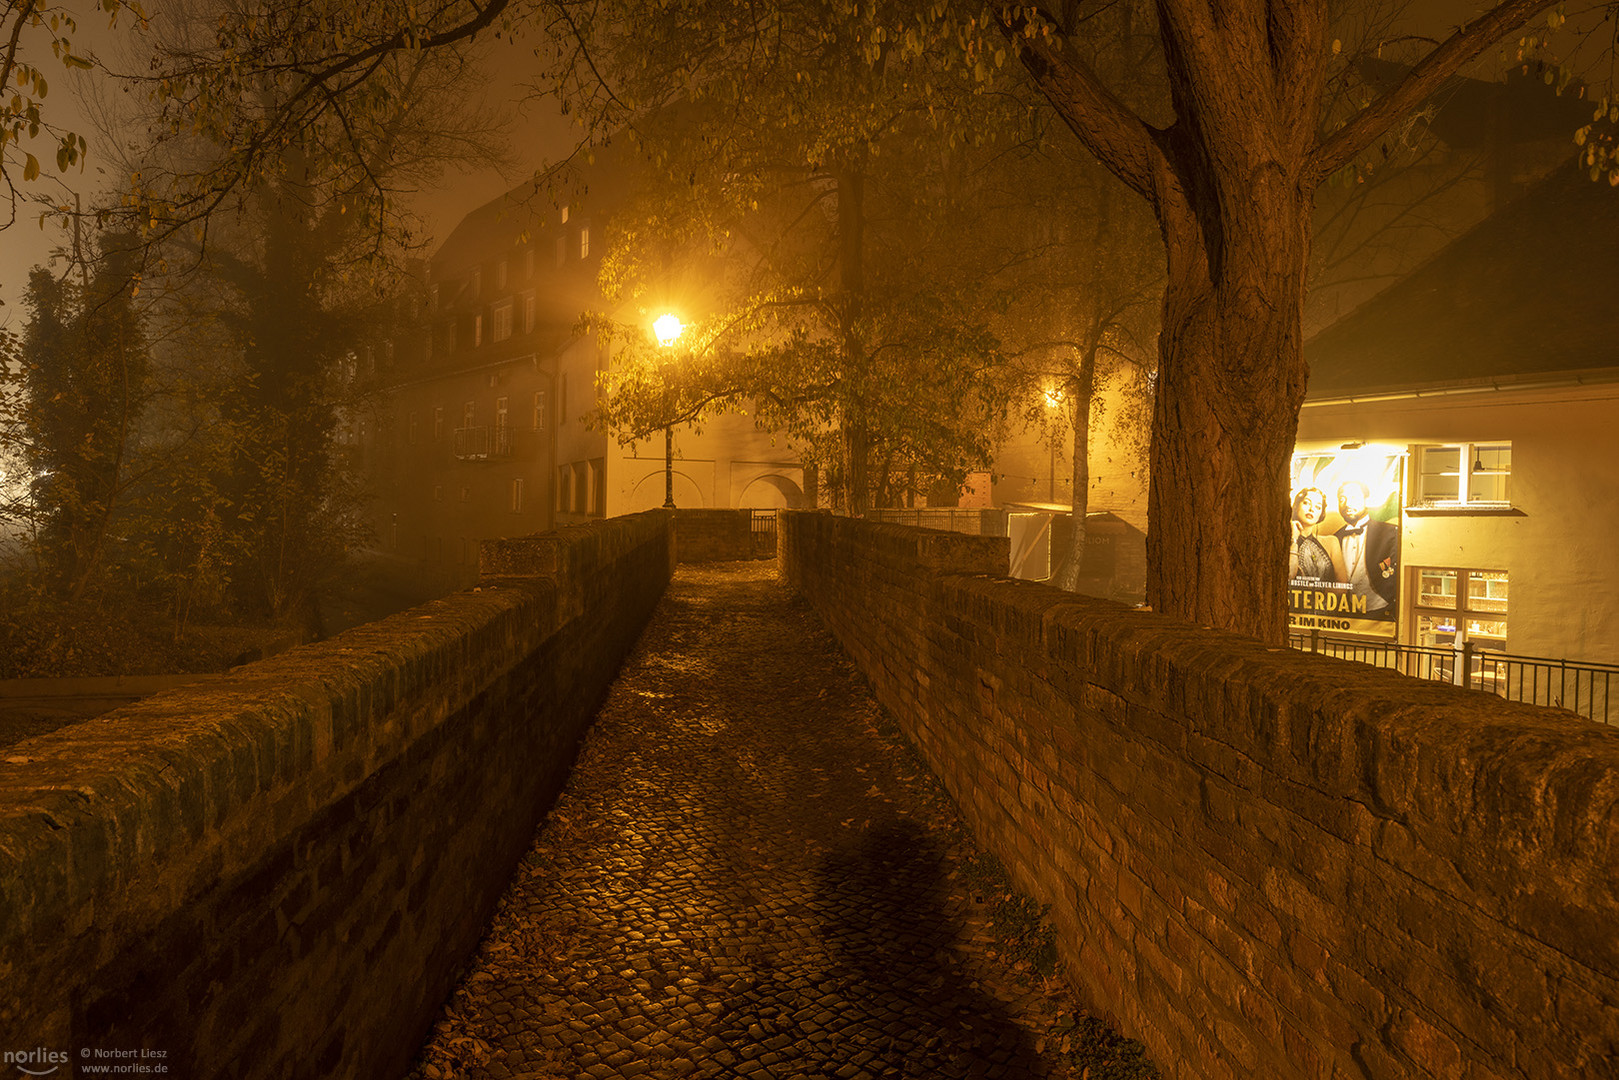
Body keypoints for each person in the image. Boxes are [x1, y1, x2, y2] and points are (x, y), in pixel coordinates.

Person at [1333, 480, 1399, 612]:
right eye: (1342, 499)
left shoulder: (1391, 533)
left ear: (1366, 500)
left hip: (1381, 611)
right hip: (1342, 612)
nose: (1347, 504)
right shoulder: (1334, 538)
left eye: (1353, 497)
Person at [1289, 487, 1347, 585]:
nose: (1311, 509)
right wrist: (1294, 539)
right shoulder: (1283, 540)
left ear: (1321, 514)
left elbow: (1342, 585)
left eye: (1318, 507)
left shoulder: (1332, 542)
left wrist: (1318, 596)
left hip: (1325, 600)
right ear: (1296, 506)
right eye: (1306, 503)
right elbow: (1289, 576)